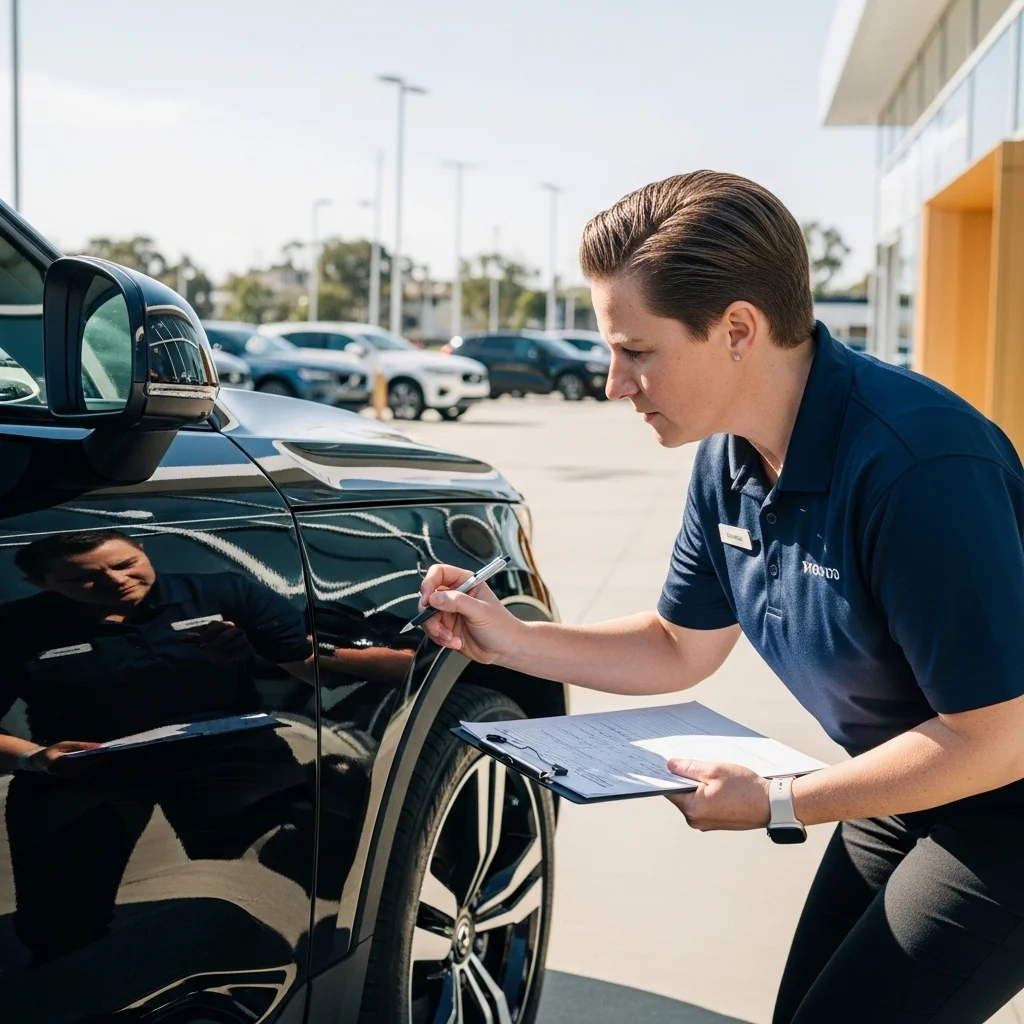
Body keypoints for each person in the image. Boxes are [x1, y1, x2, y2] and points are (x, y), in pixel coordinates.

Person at [414, 172, 1024, 1023]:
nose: (614, 384)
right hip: (906, 781)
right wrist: (509, 638)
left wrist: (778, 801)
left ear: (738, 329)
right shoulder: (729, 457)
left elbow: (994, 737)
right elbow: (678, 643)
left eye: (638, 352)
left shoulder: (920, 468)